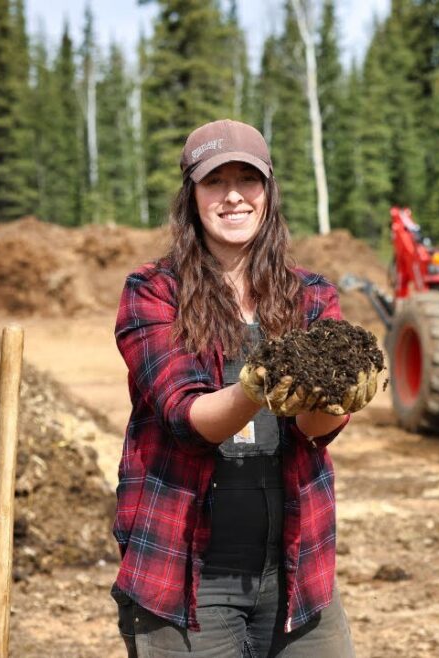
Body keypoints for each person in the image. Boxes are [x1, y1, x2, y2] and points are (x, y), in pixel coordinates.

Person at [111, 119, 373, 657]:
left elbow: (313, 433)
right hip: (185, 576)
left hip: (296, 576)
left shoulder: (311, 296)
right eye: (215, 182)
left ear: (268, 192)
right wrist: (259, 385)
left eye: (247, 181)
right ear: (192, 196)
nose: (233, 196)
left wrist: (337, 398)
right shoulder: (154, 292)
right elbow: (186, 420)